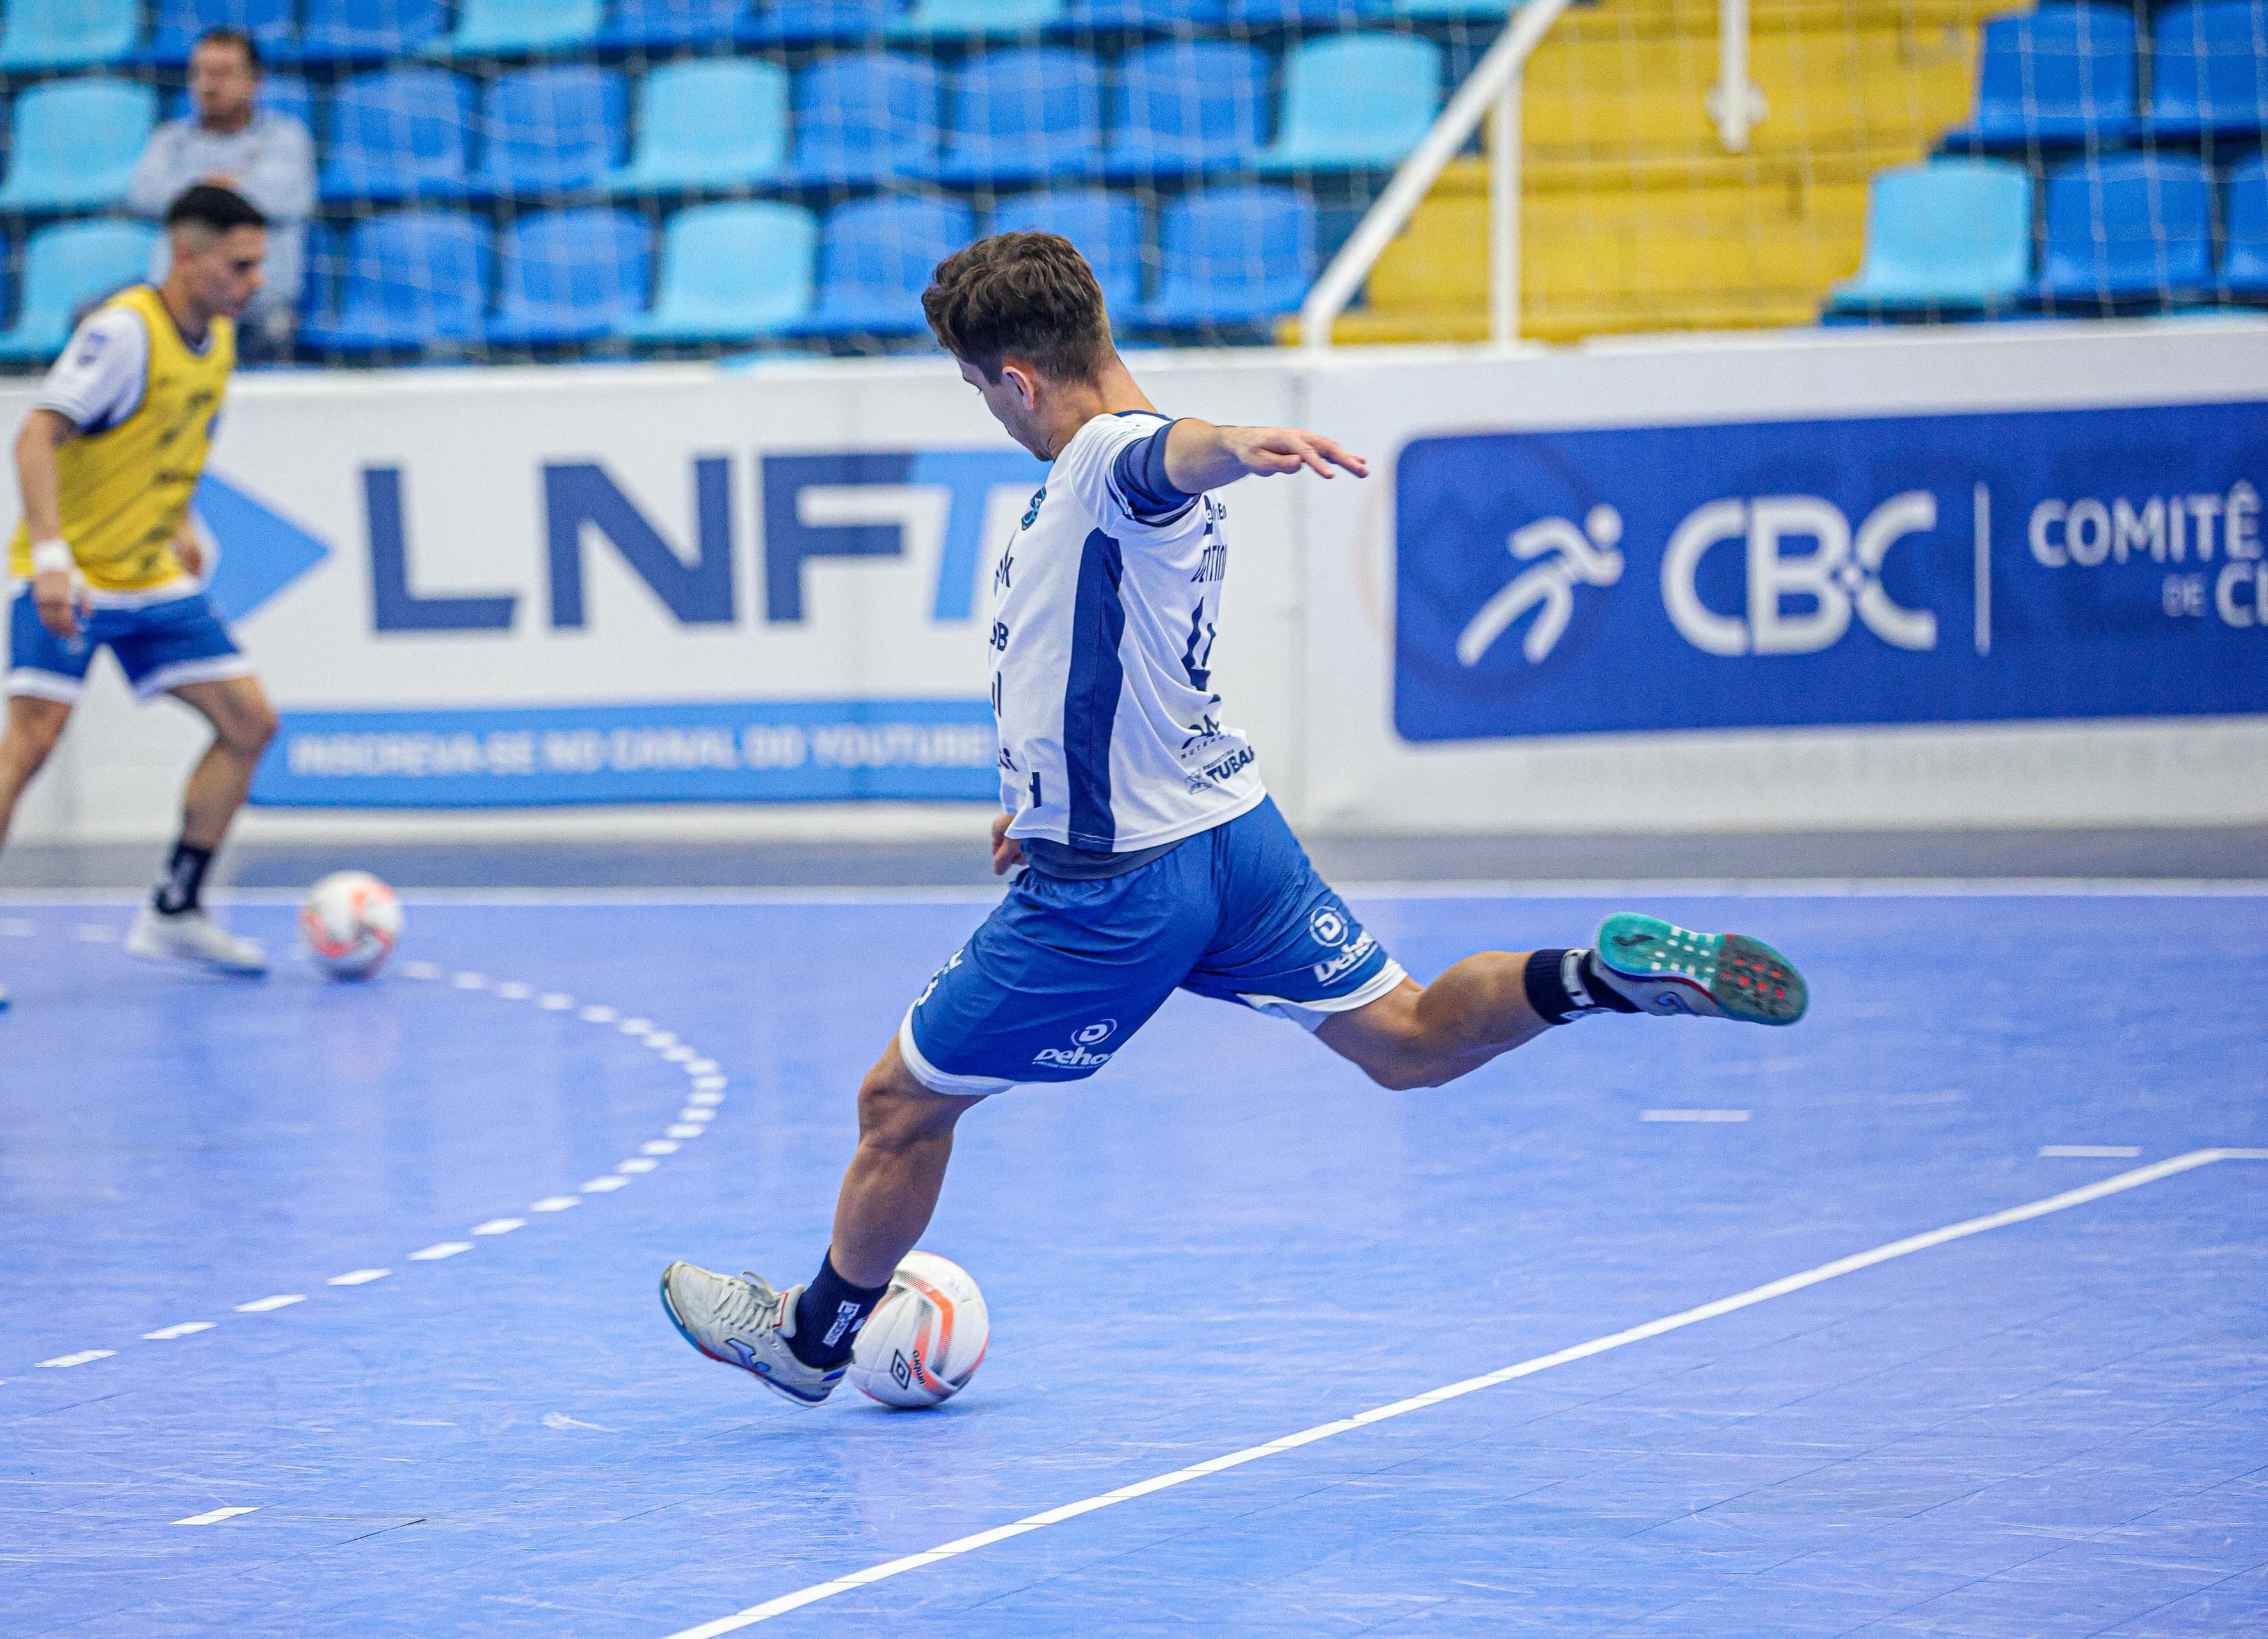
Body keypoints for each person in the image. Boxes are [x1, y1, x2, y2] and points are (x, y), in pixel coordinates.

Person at [659, 233, 1814, 1404]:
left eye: (980, 390)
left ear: (1014, 377)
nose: (990, 412)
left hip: (1120, 886)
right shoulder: (1118, 476)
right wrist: (1043, 793)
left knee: (900, 1105)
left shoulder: (1110, 454)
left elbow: (1168, 456)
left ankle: (808, 1344)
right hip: (1231, 833)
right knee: (1407, 1041)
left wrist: (1233, 447)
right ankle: (1592, 979)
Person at [0, 186, 282, 1011]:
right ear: (188, 255)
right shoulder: (122, 331)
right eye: (240, 264)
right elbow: (37, 433)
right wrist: (49, 557)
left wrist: (181, 518)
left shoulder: (215, 339)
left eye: (259, 265)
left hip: (148, 573)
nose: (255, 281)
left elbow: (160, 439)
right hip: (72, 576)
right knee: (31, 740)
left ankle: (174, 909)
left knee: (250, 722)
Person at [125, 28, 313, 356]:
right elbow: (143, 196)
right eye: (201, 74)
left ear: (256, 82)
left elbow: (285, 200)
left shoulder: (286, 137)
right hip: (175, 300)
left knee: (275, 332)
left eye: (223, 74)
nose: (209, 85)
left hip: (259, 305)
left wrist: (194, 195)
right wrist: (218, 187)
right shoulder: (171, 139)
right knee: (91, 313)